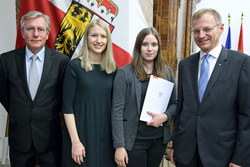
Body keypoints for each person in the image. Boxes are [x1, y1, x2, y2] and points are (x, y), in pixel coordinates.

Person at [171, 8, 250, 167]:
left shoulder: (241, 63)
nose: (201, 35)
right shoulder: (185, 65)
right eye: (196, 31)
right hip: (186, 155)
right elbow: (181, 110)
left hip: (222, 156)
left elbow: (246, 115)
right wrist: (176, 146)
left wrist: (241, 158)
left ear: (220, 29)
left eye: (207, 29)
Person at [0, 11, 69, 167]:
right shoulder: (6, 60)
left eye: (40, 29)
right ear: (23, 32)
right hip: (19, 137)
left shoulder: (61, 62)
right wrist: (20, 110)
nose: (36, 34)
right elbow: (4, 94)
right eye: (30, 29)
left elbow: (64, 97)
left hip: (50, 137)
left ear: (47, 33)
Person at [112, 27, 177, 167]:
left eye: (154, 44)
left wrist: (164, 116)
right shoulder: (124, 73)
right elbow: (116, 111)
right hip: (134, 141)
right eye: (145, 44)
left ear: (158, 47)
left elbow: (175, 103)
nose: (149, 49)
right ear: (138, 47)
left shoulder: (167, 72)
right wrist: (119, 146)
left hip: (159, 140)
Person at [61, 18, 117, 167]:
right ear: (86, 38)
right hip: (80, 137)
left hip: (105, 139)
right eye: (94, 35)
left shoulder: (112, 69)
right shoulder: (74, 66)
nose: (99, 40)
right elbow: (67, 108)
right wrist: (75, 141)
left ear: (108, 40)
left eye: (103, 36)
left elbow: (116, 107)